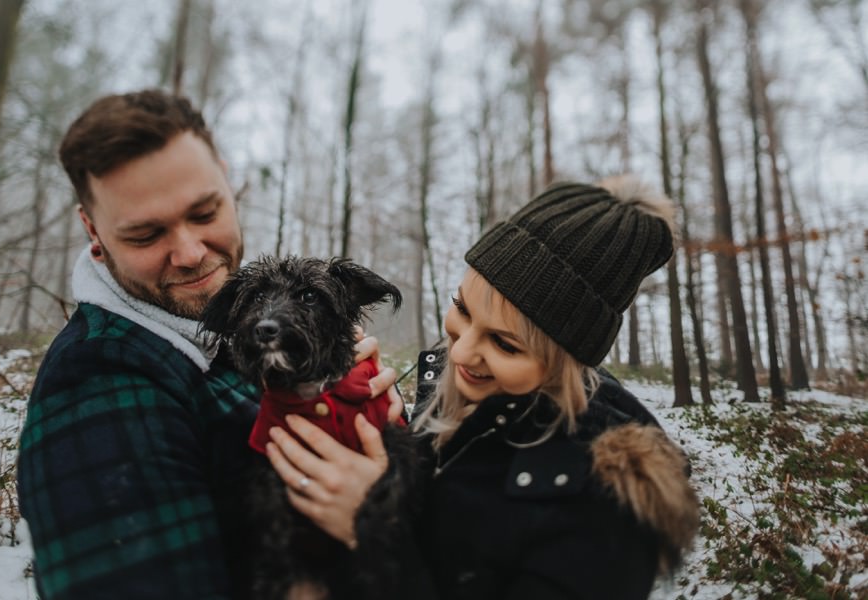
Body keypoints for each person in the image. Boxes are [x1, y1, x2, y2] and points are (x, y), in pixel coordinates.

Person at [16, 89, 399, 600]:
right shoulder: (98, 389)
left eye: (203, 212)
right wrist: (381, 537)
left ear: (225, 178)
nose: (191, 253)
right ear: (93, 231)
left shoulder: (219, 333)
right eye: (146, 234)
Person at [266, 177, 701, 599]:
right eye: (462, 309)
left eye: (505, 344)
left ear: (566, 359)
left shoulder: (610, 508)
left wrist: (374, 529)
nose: (460, 353)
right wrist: (388, 427)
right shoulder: (458, 392)